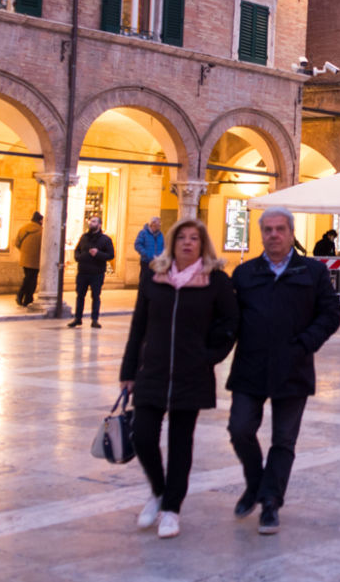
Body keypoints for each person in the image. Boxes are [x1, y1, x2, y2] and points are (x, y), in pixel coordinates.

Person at [121, 218, 238, 539]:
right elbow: (138, 326)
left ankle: (172, 509)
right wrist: (128, 372)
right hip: (153, 371)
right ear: (172, 242)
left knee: (180, 444)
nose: (187, 242)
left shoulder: (215, 281)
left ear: (203, 244)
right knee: (142, 436)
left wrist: (208, 356)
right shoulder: (154, 277)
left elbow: (230, 323)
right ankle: (159, 492)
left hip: (191, 374)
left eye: (194, 238)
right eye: (182, 237)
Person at [227, 206, 340, 534]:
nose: (274, 235)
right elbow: (228, 319)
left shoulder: (313, 271)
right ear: (261, 234)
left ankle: (270, 502)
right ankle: (255, 483)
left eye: (280, 229)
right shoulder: (245, 273)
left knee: (284, 440)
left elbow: (330, 313)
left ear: (292, 233)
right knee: (239, 428)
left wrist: (305, 343)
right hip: (250, 366)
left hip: (293, 367)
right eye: (268, 230)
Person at [68, 216, 115, 328]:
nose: (91, 223)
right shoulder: (84, 237)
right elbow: (77, 250)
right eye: (90, 221)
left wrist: (98, 254)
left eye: (94, 221)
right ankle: (78, 318)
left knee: (95, 296)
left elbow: (111, 255)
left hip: (97, 273)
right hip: (83, 272)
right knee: (80, 295)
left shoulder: (105, 239)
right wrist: (79, 257)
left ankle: (94, 319)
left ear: (99, 225)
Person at [14, 212, 43, 307]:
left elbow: (17, 243)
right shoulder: (42, 231)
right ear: (40, 220)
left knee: (28, 277)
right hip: (36, 260)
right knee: (32, 279)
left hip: (25, 259)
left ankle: (27, 298)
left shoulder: (23, 228)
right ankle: (24, 296)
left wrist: (24, 251)